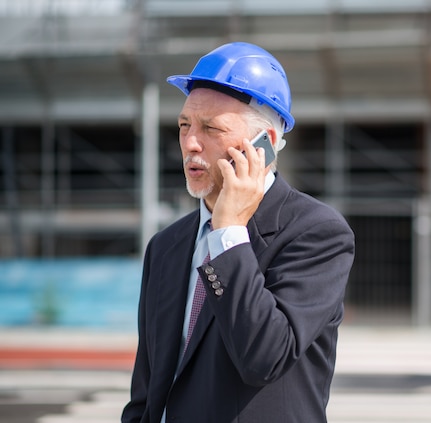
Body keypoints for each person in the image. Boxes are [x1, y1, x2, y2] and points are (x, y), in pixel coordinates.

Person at [121, 42, 355, 423]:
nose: (190, 144)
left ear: (266, 145)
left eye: (212, 128)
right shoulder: (165, 246)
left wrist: (228, 234)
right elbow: (147, 391)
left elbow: (265, 357)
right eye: (184, 126)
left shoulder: (317, 233)